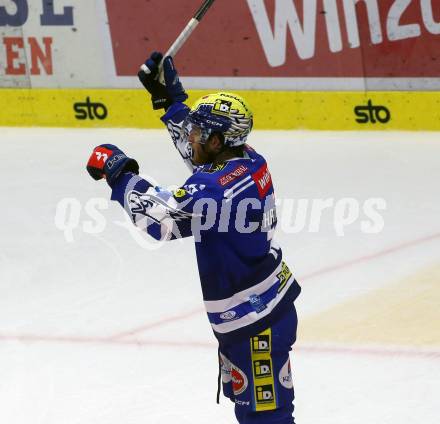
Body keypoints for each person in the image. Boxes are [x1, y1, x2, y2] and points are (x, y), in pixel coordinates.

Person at [86, 52, 301, 424]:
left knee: (268, 420)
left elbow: (154, 218)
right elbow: (200, 157)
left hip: (255, 322)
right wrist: (170, 102)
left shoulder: (214, 187)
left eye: (200, 132)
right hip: (258, 310)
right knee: (254, 413)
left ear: (218, 140)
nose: (192, 136)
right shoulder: (247, 159)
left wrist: (118, 170)